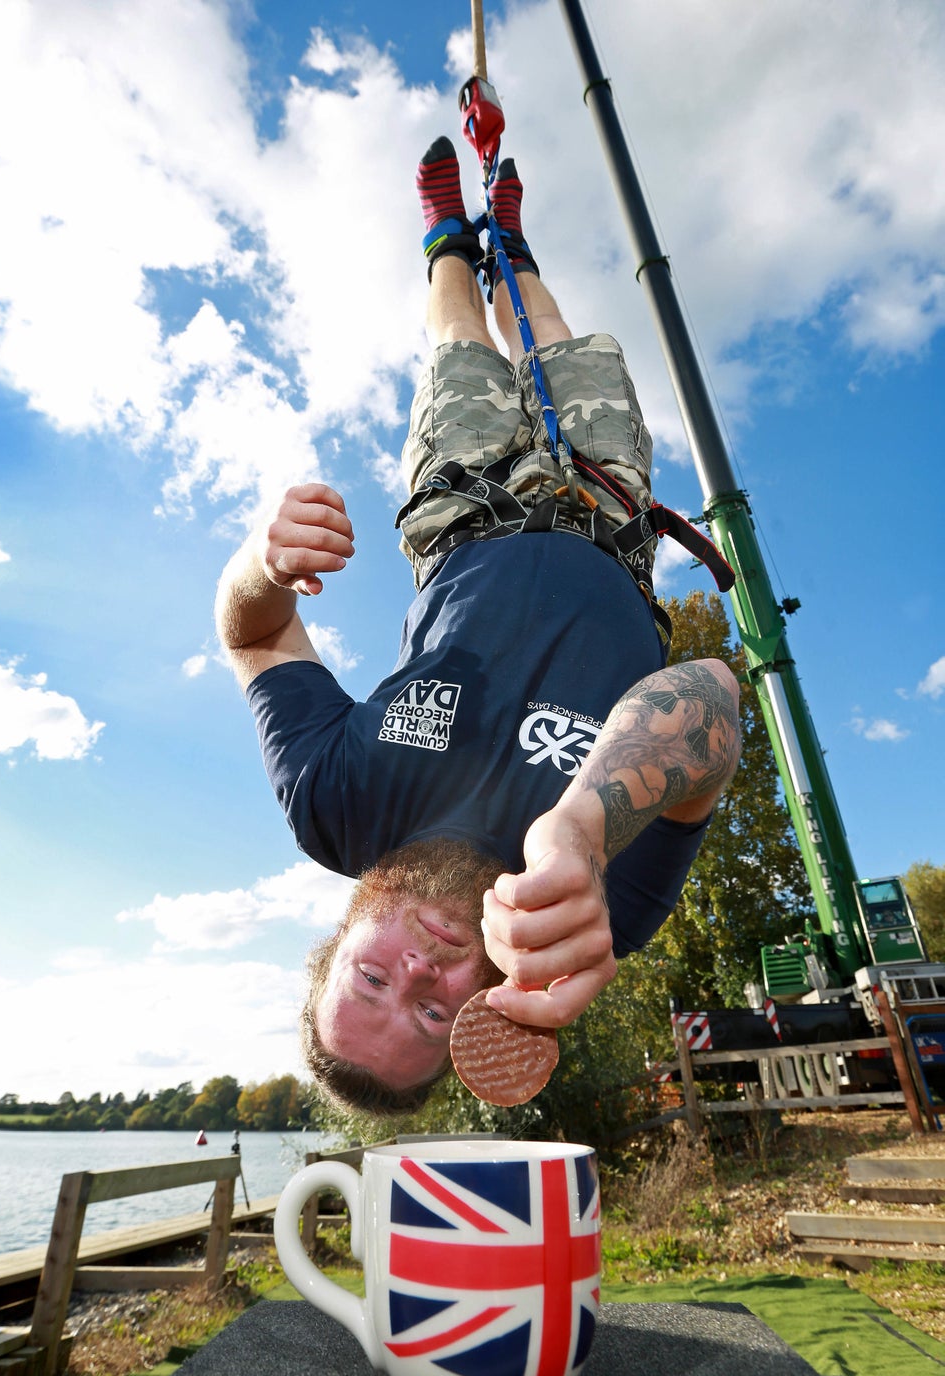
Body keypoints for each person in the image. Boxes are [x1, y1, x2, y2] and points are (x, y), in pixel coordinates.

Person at [215, 138, 741, 1114]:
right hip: (606, 510)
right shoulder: (588, 911)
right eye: (429, 1014)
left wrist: (263, 559)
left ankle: (451, 239)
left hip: (464, 509)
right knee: (564, 341)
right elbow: (711, 694)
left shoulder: (336, 802)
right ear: (480, 1013)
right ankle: (523, 251)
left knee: (458, 341)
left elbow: (254, 637)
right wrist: (583, 830)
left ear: (337, 943)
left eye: (373, 979)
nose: (419, 970)